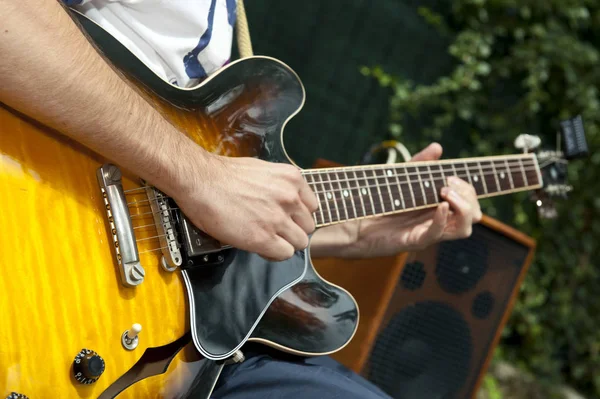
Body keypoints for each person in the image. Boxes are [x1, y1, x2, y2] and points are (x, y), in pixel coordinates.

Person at [0, 1, 482, 398]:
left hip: (175, 348)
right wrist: (199, 175)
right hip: (47, 259)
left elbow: (192, 215)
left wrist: (344, 230)